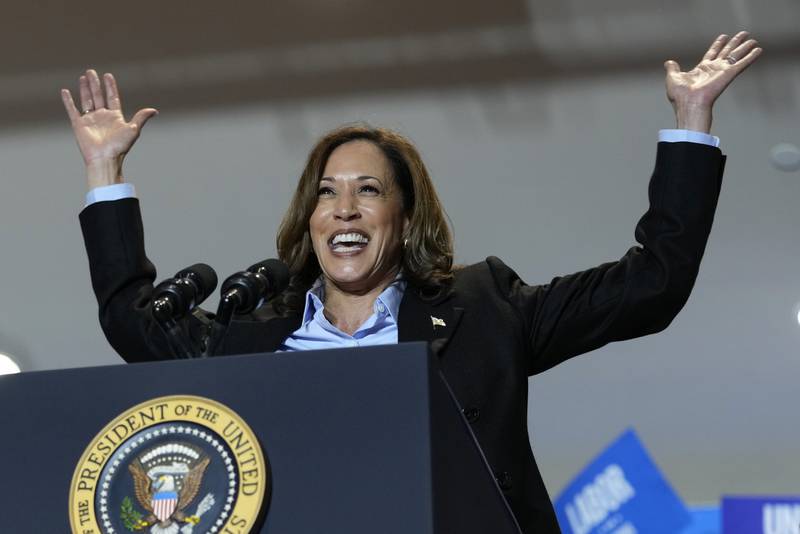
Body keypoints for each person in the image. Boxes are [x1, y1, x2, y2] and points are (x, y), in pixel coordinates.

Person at [64, 32, 761, 533]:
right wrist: (105, 172)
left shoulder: (484, 310)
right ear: (309, 218)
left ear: (402, 219)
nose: (343, 208)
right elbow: (134, 321)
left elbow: (652, 285)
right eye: (326, 193)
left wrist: (690, 121)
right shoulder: (251, 335)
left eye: (368, 191)